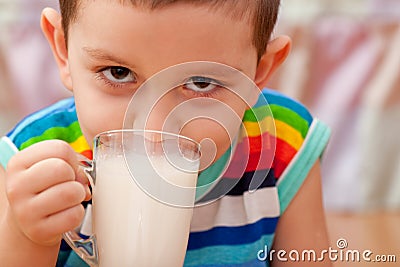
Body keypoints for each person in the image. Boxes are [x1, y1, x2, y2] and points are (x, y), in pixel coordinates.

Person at [0, 0, 332, 266]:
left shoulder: (284, 146)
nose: (153, 130)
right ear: (63, 50)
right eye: (119, 73)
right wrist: (27, 236)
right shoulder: (36, 157)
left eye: (200, 83)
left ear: (259, 72)